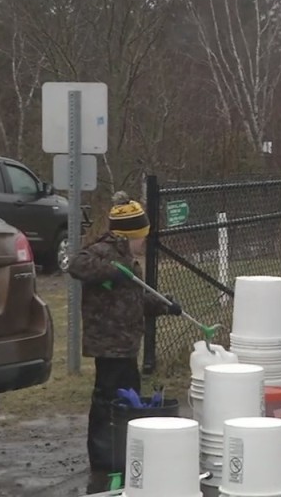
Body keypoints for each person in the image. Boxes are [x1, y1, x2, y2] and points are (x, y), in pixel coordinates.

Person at [66, 190, 183, 474]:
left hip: (128, 343)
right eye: (141, 236)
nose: (144, 242)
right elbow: (76, 265)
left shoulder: (130, 261)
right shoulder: (103, 252)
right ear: (129, 235)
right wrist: (112, 271)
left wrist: (165, 305)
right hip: (108, 343)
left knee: (130, 396)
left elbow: (137, 298)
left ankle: (126, 449)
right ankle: (104, 456)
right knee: (107, 398)